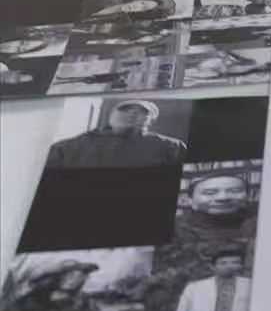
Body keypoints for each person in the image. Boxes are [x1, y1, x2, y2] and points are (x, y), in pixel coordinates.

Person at [46, 99, 185, 169]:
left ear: (150, 121)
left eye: (143, 112)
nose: (132, 113)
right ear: (112, 115)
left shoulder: (171, 146)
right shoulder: (69, 146)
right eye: (126, 109)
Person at [168, 248, 251, 311]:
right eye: (223, 263)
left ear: (241, 265)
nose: (229, 266)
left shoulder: (250, 285)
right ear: (213, 267)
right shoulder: (194, 287)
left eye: (235, 262)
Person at [173, 174, 256, 252]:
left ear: (249, 196)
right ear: (189, 200)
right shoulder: (176, 229)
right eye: (210, 193)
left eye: (235, 191)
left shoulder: (259, 223)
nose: (223, 198)